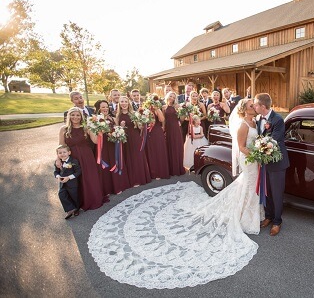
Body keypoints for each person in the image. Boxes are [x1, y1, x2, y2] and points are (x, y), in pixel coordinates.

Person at [88, 98, 262, 288]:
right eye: (252, 105)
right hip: (250, 159)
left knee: (248, 186)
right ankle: (245, 214)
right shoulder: (244, 125)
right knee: (246, 185)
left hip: (255, 160)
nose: (255, 107)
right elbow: (242, 146)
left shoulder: (256, 121)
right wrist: (256, 154)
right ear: (245, 109)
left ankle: (250, 210)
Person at [253, 93, 290, 236]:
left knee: (276, 194)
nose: (254, 106)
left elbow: (273, 141)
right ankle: (268, 216)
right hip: (263, 163)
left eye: (256, 104)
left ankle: (277, 221)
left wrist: (258, 149)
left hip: (277, 163)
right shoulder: (258, 119)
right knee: (266, 191)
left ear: (263, 106)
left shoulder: (278, 120)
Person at [59, 107, 104, 210]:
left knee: (88, 178)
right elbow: (61, 145)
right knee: (74, 180)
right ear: (69, 116)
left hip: (86, 156)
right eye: (73, 115)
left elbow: (96, 141)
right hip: (71, 157)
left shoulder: (86, 127)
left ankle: (91, 200)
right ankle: (76, 203)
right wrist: (58, 159)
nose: (75, 117)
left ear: (81, 116)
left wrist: (99, 130)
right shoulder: (63, 129)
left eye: (78, 115)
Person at [94, 100, 131, 195]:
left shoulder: (113, 118)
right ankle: (108, 188)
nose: (105, 109)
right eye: (103, 107)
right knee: (105, 165)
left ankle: (119, 185)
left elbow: (117, 129)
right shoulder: (95, 120)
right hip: (103, 145)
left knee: (115, 162)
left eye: (106, 107)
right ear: (99, 109)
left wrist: (120, 129)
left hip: (113, 144)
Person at [115, 96, 151, 187]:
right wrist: (121, 127)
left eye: (125, 101)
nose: (123, 103)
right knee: (129, 158)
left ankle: (141, 178)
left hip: (135, 138)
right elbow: (116, 130)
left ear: (128, 103)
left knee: (137, 157)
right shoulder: (117, 116)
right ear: (119, 103)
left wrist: (142, 122)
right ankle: (133, 180)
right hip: (125, 139)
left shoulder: (134, 113)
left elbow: (140, 128)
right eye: (121, 102)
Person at [144, 98, 170, 180]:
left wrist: (157, 109)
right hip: (148, 133)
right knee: (151, 152)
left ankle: (161, 172)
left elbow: (162, 119)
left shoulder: (157, 109)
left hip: (157, 132)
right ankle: (153, 173)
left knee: (159, 151)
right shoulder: (145, 110)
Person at [54, 145, 81, 219]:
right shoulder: (58, 163)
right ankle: (70, 209)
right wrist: (58, 176)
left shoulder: (73, 161)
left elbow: (78, 172)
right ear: (57, 155)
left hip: (72, 183)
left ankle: (76, 209)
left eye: (64, 152)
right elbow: (56, 172)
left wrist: (69, 177)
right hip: (62, 183)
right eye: (60, 153)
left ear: (69, 152)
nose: (62, 154)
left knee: (74, 196)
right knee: (61, 194)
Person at [162, 91, 186, 176]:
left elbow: (182, 119)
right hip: (168, 128)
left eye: (173, 97)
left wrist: (182, 111)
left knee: (176, 146)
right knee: (169, 147)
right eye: (170, 96)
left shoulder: (177, 106)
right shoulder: (164, 107)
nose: (172, 98)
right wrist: (163, 129)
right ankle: (171, 168)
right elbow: (164, 119)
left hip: (176, 128)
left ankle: (178, 168)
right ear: (167, 97)